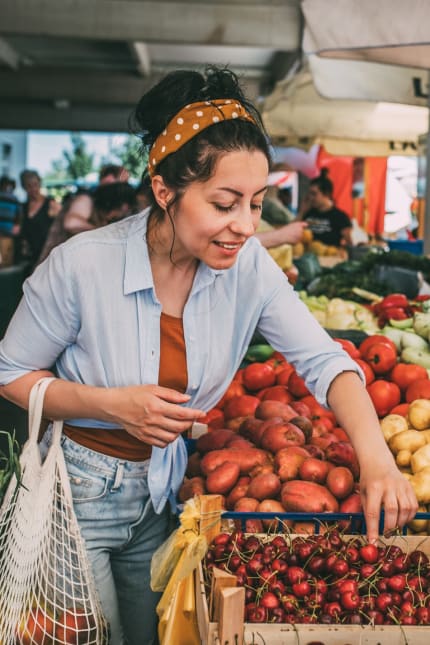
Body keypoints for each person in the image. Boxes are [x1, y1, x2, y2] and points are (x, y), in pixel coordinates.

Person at [0, 67, 417, 644]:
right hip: (78, 492)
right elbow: (11, 374)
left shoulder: (248, 268)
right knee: (88, 636)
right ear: (165, 189)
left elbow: (327, 361)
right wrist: (111, 404)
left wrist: (376, 458)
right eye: (225, 203)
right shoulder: (81, 265)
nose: (246, 225)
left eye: (257, 203)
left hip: (167, 493)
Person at [37, 181, 138, 264]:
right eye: (124, 209)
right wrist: (104, 231)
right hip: (54, 264)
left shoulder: (104, 216)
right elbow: (71, 223)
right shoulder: (86, 200)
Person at [299, 169, 353, 248]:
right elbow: (290, 231)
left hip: (329, 258)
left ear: (327, 194)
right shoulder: (308, 213)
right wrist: (301, 212)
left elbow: (350, 243)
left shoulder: (340, 217)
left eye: (314, 194)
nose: (310, 197)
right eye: (309, 193)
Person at [18, 169, 61, 269]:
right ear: (24, 187)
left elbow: (61, 228)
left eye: (35, 184)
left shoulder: (51, 203)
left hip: (47, 256)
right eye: (29, 186)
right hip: (30, 257)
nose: (33, 189)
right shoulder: (23, 207)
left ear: (40, 183)